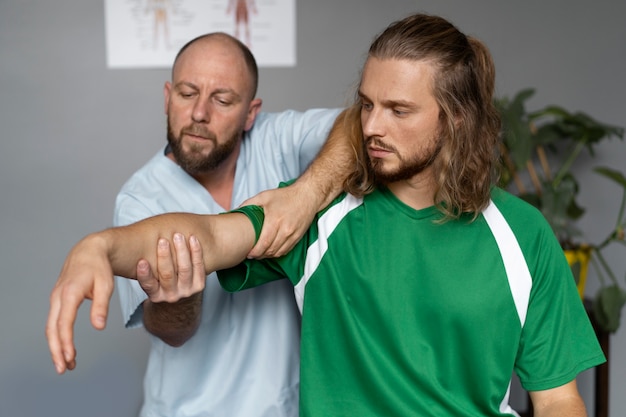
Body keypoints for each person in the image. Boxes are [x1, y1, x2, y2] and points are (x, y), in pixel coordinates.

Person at [47, 13, 606, 417]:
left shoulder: (522, 234)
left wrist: (304, 190)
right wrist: (98, 247)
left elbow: (558, 398)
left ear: (456, 118)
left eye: (398, 109)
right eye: (365, 104)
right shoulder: (320, 218)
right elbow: (206, 233)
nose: (370, 126)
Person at [47, 32, 350, 417]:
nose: (199, 113)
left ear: (250, 114)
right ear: (167, 97)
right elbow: (170, 332)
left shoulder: (277, 141)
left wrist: (305, 195)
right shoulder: (141, 197)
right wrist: (174, 299)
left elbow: (360, 125)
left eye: (222, 100)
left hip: (285, 406)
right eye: (187, 93)